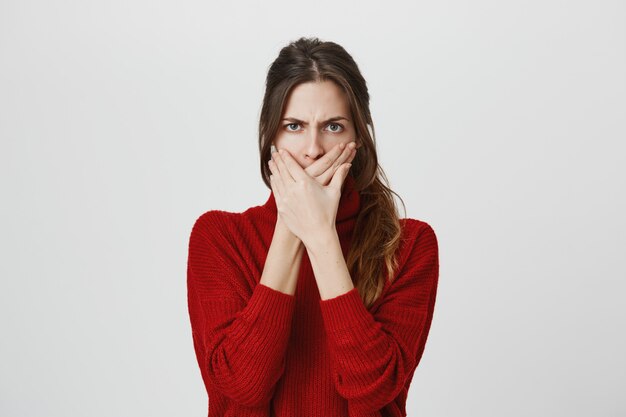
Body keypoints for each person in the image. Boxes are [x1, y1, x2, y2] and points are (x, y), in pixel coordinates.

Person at [187, 36, 439, 417]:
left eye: (334, 127)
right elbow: (242, 386)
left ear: (360, 137)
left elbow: (374, 389)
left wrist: (321, 238)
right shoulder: (219, 238)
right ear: (270, 136)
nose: (313, 149)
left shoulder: (410, 245)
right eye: (294, 126)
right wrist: (293, 224)